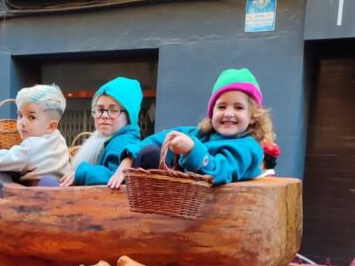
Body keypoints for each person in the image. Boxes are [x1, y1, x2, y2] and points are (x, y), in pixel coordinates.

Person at [116, 68, 275, 186]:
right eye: (221, 107)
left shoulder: (247, 148)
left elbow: (220, 171)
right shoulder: (200, 134)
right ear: (212, 113)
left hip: (208, 211)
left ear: (253, 117)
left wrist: (191, 150)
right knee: (148, 153)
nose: (228, 113)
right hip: (176, 201)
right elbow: (158, 139)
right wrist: (129, 158)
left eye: (238, 108)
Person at [0, 84, 70, 185]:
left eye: (32, 117)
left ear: (51, 126)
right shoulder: (59, 139)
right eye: (20, 115)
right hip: (58, 188)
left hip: (33, 196)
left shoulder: (31, 147)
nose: (22, 122)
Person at [60, 76, 142, 187]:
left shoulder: (122, 143)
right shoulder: (104, 138)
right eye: (100, 109)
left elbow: (114, 177)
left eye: (113, 110)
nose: (104, 116)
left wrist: (82, 172)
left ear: (128, 117)